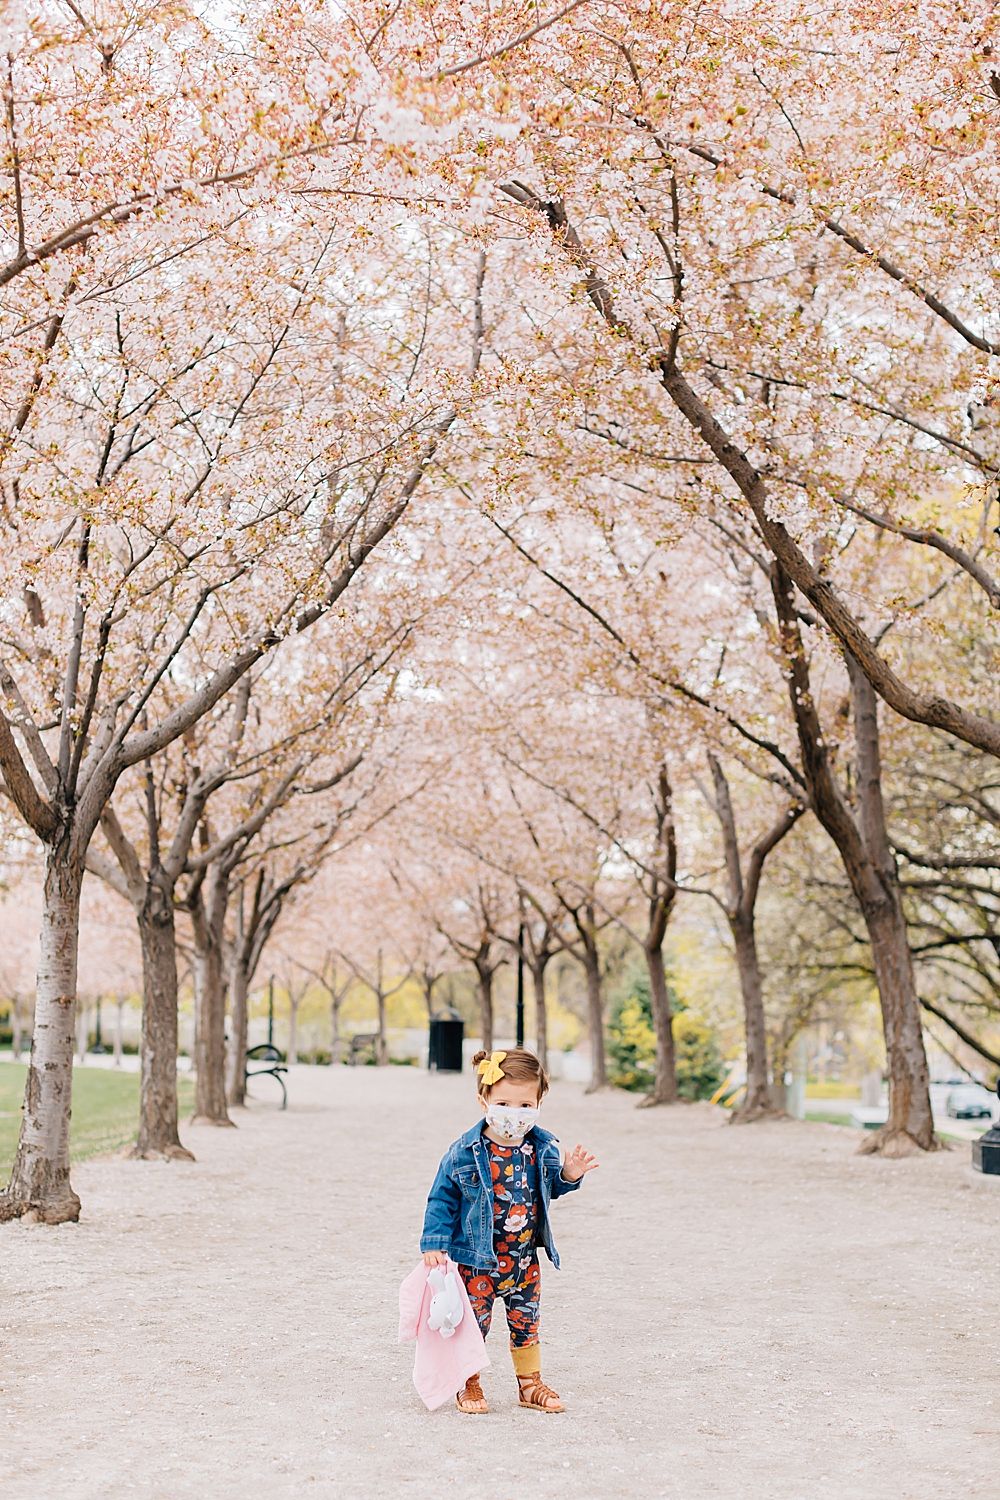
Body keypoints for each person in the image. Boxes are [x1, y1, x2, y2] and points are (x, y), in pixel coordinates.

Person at [420, 1046, 599, 1414]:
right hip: (478, 1260)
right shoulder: (464, 1153)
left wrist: (569, 1175)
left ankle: (529, 1384)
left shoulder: (542, 1148)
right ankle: (466, 1382)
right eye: (503, 1103)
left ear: (539, 1103)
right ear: (483, 1100)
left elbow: (550, 1185)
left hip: (523, 1260)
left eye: (524, 1106)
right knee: (473, 1324)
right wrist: (434, 1241)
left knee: (526, 1322)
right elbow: (442, 1197)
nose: (512, 1115)